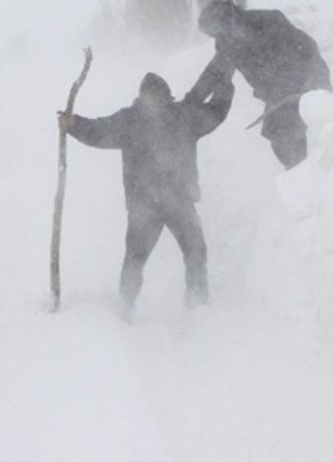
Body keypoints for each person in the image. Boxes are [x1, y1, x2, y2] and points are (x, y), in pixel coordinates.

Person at [58, 72, 233, 315]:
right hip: (144, 207)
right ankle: (124, 307)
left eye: (160, 94)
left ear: (167, 95)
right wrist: (74, 124)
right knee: (135, 260)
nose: (156, 99)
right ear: (141, 97)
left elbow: (215, 113)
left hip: (179, 202)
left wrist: (225, 86)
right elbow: (98, 131)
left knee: (196, 251)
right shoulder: (129, 120)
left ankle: (198, 306)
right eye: (151, 94)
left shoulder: (183, 116)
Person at [188, 0, 333, 169]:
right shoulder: (228, 44)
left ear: (228, 21)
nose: (217, 39)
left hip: (304, 86)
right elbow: (214, 72)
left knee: (294, 133)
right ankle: (301, 178)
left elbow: (306, 47)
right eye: (213, 36)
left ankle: (313, 177)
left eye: (217, 33)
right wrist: (193, 99)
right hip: (277, 96)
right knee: (278, 136)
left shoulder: (269, 21)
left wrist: (315, 81)